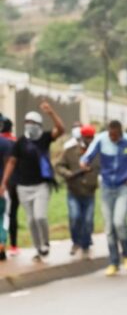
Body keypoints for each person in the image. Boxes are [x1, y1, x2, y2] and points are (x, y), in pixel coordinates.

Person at [0, 102, 65, 261]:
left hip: (41, 185)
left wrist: (51, 113)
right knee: (30, 220)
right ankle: (39, 248)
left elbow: (61, 130)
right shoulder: (20, 142)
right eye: (27, 122)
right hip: (23, 187)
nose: (29, 125)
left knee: (40, 217)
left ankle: (45, 242)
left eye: (33, 122)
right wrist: (4, 182)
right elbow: (11, 163)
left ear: (39, 124)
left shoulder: (44, 138)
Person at [82, 120, 127, 275]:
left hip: (124, 186)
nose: (113, 138)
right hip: (107, 187)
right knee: (109, 227)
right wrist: (84, 162)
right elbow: (88, 155)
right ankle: (114, 262)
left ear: (121, 133)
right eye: (111, 135)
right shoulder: (101, 139)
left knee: (119, 222)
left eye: (116, 136)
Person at [56, 124, 99, 258]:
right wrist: (68, 173)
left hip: (89, 192)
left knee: (88, 220)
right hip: (74, 191)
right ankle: (76, 242)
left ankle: (86, 244)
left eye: (91, 138)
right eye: (87, 137)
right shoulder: (70, 151)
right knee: (75, 217)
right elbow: (59, 165)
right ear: (81, 137)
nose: (89, 140)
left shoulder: (97, 153)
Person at [0, 115, 14, 261]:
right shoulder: (6, 143)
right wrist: (4, 183)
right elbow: (9, 163)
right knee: (3, 216)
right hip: (2, 188)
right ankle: (1, 244)